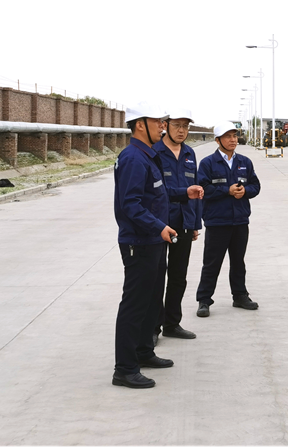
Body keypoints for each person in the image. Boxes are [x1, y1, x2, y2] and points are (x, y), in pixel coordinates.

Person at [112, 102, 176, 389]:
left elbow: (156, 193)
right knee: (135, 304)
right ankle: (124, 369)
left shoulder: (147, 157)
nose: (163, 127)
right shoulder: (133, 159)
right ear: (140, 124)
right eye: (158, 122)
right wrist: (159, 227)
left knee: (151, 301)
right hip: (140, 243)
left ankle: (143, 352)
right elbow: (131, 205)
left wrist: (184, 193)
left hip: (153, 241)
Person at [195, 122, 261, 316]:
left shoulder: (245, 162)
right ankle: (204, 300)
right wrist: (227, 191)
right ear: (218, 140)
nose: (233, 140)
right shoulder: (208, 163)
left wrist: (245, 191)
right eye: (228, 136)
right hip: (217, 221)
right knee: (212, 263)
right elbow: (203, 189)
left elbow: (256, 186)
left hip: (240, 221)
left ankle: (240, 296)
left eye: (234, 136)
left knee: (238, 262)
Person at [152, 108, 204, 342]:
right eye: (177, 126)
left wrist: (195, 223)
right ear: (165, 125)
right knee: (155, 277)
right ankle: (152, 328)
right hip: (161, 225)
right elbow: (157, 192)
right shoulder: (154, 153)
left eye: (186, 126)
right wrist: (185, 193)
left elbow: (198, 190)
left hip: (184, 223)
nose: (182, 131)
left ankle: (172, 324)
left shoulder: (190, 153)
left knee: (178, 276)